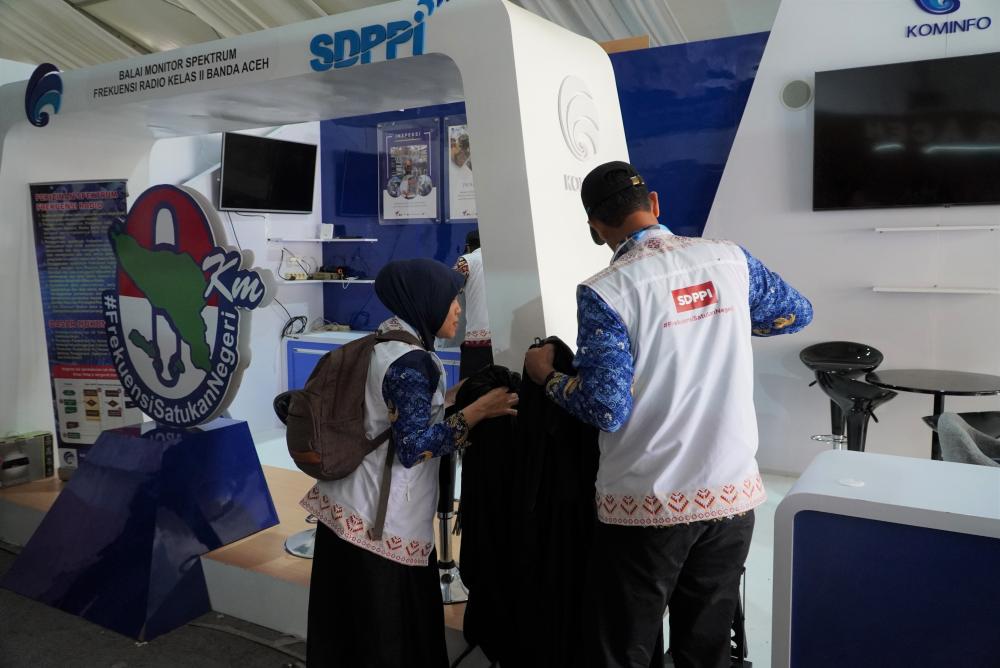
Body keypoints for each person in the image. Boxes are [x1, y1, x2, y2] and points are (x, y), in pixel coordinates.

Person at [524, 161, 813, 668]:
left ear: (596, 226)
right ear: (654, 203)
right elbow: (796, 313)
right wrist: (726, 323)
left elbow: (606, 406)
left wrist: (547, 378)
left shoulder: (606, 290)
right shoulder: (728, 258)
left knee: (625, 646)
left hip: (648, 500)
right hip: (731, 493)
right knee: (707, 646)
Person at [301, 258, 518, 668]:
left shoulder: (383, 343)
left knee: (346, 633)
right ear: (425, 300)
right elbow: (413, 446)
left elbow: (397, 413)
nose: (458, 308)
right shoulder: (411, 362)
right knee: (386, 636)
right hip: (379, 522)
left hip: (346, 507)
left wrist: (452, 398)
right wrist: (479, 412)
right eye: (451, 299)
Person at [454, 230, 492, 379]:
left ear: (468, 246)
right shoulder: (501, 259)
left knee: (471, 388)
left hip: (478, 343)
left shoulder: (466, 260)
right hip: (506, 341)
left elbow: (450, 285)